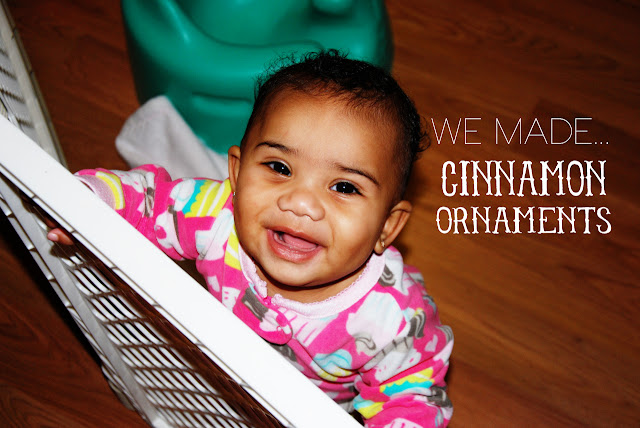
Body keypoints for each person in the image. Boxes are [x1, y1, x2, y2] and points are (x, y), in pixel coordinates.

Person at [48, 50, 453, 427]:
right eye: (279, 167)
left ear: (386, 227)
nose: (300, 202)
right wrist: (86, 203)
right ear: (238, 174)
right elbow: (148, 204)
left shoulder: (395, 320)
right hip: (217, 371)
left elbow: (413, 396)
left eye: (344, 187)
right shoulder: (214, 216)